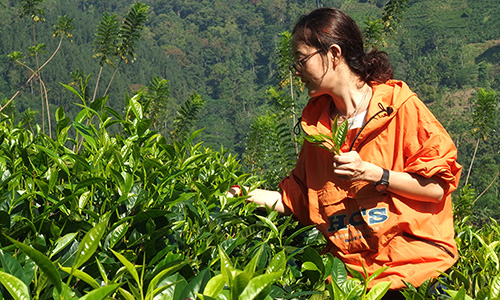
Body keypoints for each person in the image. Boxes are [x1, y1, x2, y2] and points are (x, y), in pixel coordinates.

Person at [229, 7, 462, 296]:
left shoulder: (400, 108)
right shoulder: (318, 129)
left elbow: (438, 187)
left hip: (413, 272)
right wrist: (240, 196)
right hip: (349, 281)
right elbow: (298, 200)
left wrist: (375, 174)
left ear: (334, 53)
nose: (296, 70)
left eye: (302, 60)